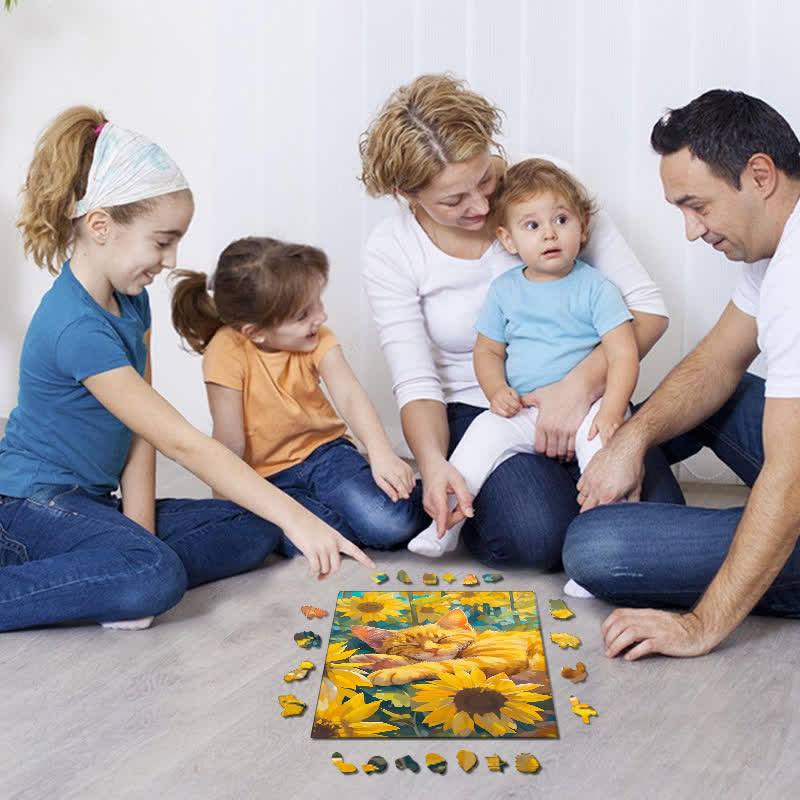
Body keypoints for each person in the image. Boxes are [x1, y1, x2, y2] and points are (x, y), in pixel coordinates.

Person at [0, 107, 372, 634]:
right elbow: (184, 443)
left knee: (251, 526)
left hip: (92, 502)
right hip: (31, 504)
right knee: (153, 575)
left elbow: (143, 436)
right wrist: (300, 520)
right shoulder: (74, 328)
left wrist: (141, 531)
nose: (172, 258)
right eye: (162, 240)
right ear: (101, 225)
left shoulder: (132, 302)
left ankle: (106, 571)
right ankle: (103, 573)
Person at [360, 73, 684, 570]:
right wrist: (433, 464)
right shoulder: (392, 248)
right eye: (454, 201)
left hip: (589, 386)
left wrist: (577, 389)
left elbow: (647, 310)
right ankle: (495, 502)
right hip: (483, 406)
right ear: (408, 194)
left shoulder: (546, 193)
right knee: (537, 538)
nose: (483, 206)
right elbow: (417, 381)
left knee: (658, 519)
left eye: (486, 178)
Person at [563, 89, 800, 659]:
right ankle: (623, 482)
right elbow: (716, 363)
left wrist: (699, 626)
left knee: (598, 548)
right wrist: (631, 442)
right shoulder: (775, 248)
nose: (693, 232)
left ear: (760, 175)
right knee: (718, 394)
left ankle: (742, 548)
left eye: (699, 206)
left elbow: (790, 479)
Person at [407, 158, 638, 559]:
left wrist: (612, 411)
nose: (549, 233)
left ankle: (604, 551)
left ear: (583, 228)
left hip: (589, 408)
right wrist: (496, 391)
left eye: (561, 220)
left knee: (604, 463)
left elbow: (623, 354)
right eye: (532, 226)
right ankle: (445, 525)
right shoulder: (505, 291)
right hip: (525, 408)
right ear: (508, 239)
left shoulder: (596, 288)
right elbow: (489, 350)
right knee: (480, 438)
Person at [170, 237, 428, 553]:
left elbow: (349, 395)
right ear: (256, 332)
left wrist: (381, 452)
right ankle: (355, 514)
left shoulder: (318, 337)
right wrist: (229, 502)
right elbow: (228, 439)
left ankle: (429, 491)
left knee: (389, 525)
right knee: (297, 541)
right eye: (303, 314)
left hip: (326, 454)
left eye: (317, 302)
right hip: (267, 477)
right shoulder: (225, 350)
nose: (320, 317)